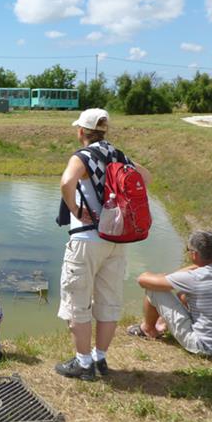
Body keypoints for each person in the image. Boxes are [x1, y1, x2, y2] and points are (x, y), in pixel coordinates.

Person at [55, 108, 152, 381]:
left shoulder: (83, 156)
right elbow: (146, 178)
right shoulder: (119, 155)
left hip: (86, 238)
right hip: (116, 240)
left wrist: (75, 209)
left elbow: (66, 182)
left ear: (81, 132)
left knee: (78, 301)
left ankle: (83, 364)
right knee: (108, 302)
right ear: (104, 130)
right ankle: (101, 359)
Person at [133, 231, 212, 356]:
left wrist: (162, 276)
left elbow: (142, 280)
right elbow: (189, 280)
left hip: (207, 347)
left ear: (194, 254)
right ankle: (162, 324)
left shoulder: (194, 278)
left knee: (154, 289)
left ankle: (148, 329)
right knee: (183, 294)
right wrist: (172, 277)